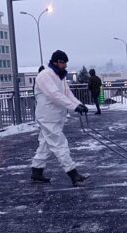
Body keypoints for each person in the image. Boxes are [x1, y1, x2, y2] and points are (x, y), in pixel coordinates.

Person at [31, 50, 89, 186]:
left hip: (55, 116)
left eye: (66, 63)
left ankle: (36, 172)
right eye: (63, 63)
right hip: (47, 117)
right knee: (60, 144)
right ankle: (73, 174)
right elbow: (54, 95)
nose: (65, 66)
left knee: (45, 145)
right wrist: (73, 107)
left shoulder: (59, 76)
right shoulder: (45, 75)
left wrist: (79, 104)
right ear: (55, 62)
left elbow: (67, 94)